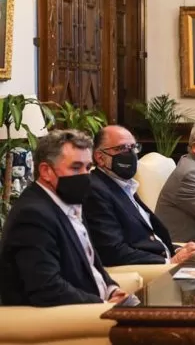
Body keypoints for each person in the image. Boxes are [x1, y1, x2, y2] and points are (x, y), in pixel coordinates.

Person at [0, 130, 133, 306]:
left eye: (88, 167)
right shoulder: (33, 215)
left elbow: (91, 264)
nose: (85, 175)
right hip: (63, 320)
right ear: (46, 171)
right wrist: (103, 304)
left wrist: (112, 290)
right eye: (76, 167)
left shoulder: (69, 201)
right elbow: (47, 289)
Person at [83, 125, 195, 266]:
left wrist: (178, 250)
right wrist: (170, 262)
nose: (130, 154)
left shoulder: (125, 186)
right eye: (122, 148)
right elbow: (112, 250)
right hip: (150, 272)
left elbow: (146, 239)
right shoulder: (95, 190)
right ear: (100, 157)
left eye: (133, 147)